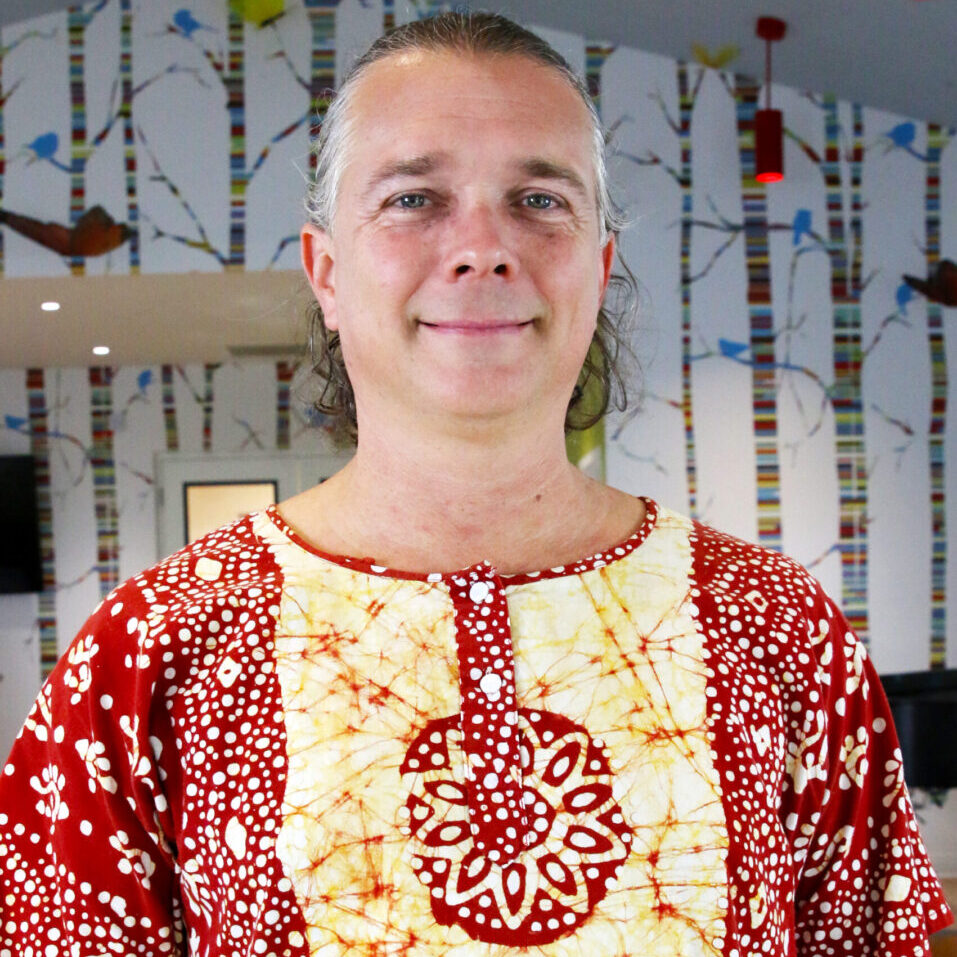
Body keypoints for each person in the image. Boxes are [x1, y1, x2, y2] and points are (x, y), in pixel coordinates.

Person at [0, 11, 951, 957]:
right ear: (326, 272)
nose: (484, 248)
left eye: (539, 201)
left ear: (600, 264)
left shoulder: (777, 626)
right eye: (414, 199)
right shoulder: (149, 649)